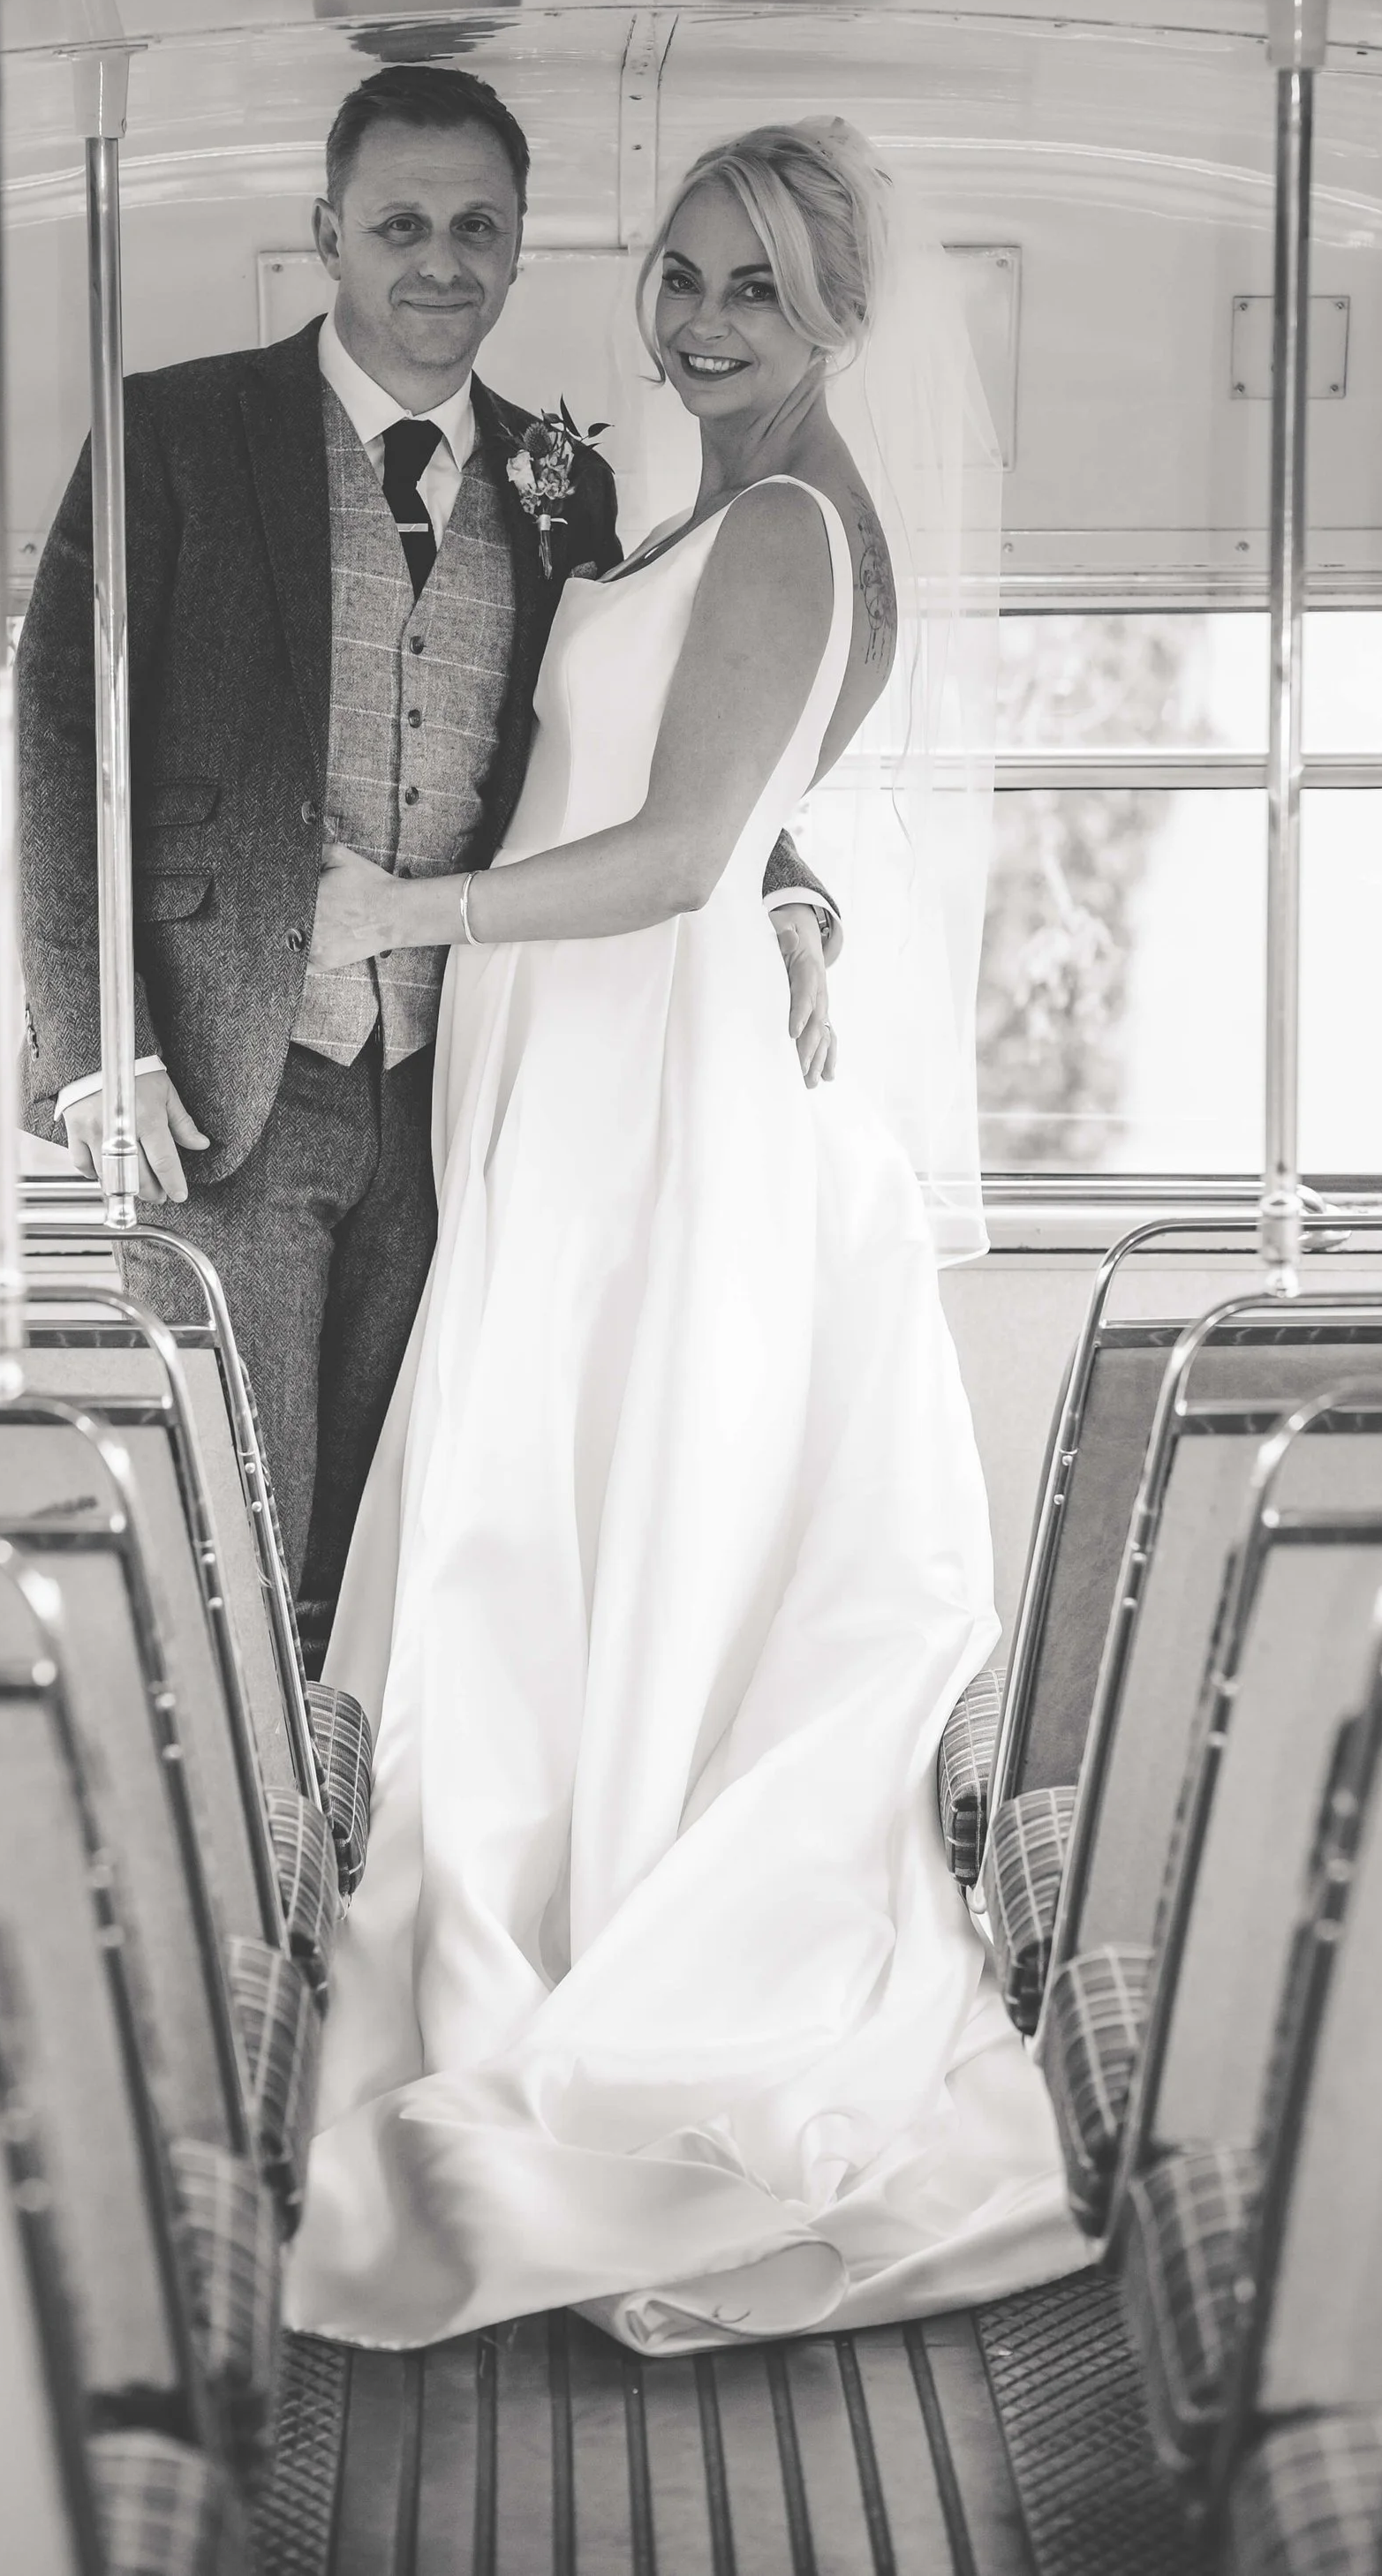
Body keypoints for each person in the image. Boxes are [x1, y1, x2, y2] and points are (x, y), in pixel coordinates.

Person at [287, 117, 1088, 2350]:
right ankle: (529, 1892)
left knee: (599, 1510)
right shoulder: (712, 510)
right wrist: (802, 890)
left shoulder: (791, 529)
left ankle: (598, 1947)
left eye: (753, 287)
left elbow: (672, 854)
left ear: (835, 315)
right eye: (681, 273)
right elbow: (774, 827)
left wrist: (402, 908)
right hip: (596, 1078)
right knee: (558, 1508)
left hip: (659, 1098)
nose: (702, 319)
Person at [16, 62, 836, 1642]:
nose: (440, 259)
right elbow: (60, 740)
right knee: (217, 1501)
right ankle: (222, 1856)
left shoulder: (561, 476)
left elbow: (655, 723)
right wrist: (93, 1050)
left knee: (401, 1514)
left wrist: (781, 883)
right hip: (216, 1062)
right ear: (331, 230)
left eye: (478, 225)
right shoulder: (173, 431)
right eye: (401, 222)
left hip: (465, 1072)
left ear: (520, 245)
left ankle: (345, 1840)